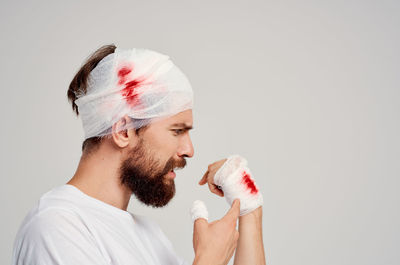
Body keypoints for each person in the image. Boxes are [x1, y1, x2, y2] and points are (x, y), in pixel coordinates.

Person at [12, 44, 266, 265]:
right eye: (177, 130)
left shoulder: (148, 235)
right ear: (123, 131)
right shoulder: (56, 228)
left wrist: (250, 210)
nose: (189, 150)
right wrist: (209, 261)